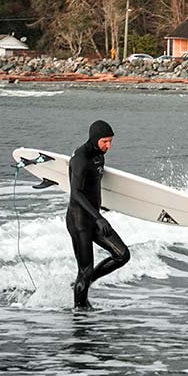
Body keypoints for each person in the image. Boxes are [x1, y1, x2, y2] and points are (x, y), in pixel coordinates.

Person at [66, 120, 130, 308]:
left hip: (94, 217)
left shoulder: (99, 156)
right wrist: (99, 217)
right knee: (84, 270)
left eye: (110, 142)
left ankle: (83, 283)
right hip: (79, 220)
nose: (108, 146)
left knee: (122, 255)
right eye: (105, 141)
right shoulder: (80, 159)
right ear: (94, 139)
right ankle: (80, 312)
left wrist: (104, 207)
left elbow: (93, 187)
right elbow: (76, 193)